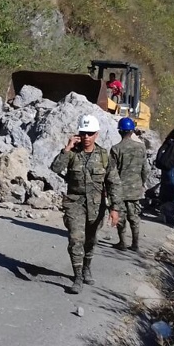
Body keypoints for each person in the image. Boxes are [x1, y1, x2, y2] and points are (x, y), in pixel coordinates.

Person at [50, 114, 122, 294]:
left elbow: (113, 183)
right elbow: (55, 168)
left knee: (90, 241)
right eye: (83, 133)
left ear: (96, 134)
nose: (86, 137)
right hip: (75, 204)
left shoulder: (104, 156)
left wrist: (115, 208)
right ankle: (78, 277)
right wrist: (67, 148)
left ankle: (86, 267)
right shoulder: (72, 154)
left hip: (97, 207)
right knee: (76, 239)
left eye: (90, 133)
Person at [110, 117, 148, 252]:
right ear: (132, 131)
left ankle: (122, 242)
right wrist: (142, 183)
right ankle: (135, 244)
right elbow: (145, 169)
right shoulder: (141, 147)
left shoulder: (115, 149)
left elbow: (112, 172)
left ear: (120, 131)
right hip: (135, 189)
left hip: (120, 190)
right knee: (134, 217)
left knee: (121, 217)